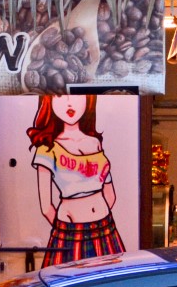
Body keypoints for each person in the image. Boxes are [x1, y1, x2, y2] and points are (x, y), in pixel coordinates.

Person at [28, 94, 125, 266]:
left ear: (89, 100)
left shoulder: (95, 142)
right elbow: (45, 207)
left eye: (77, 95)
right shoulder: (47, 148)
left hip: (105, 227)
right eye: (59, 96)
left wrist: (97, 215)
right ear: (48, 102)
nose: (69, 102)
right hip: (70, 233)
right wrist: (67, 229)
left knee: (111, 286)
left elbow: (110, 194)